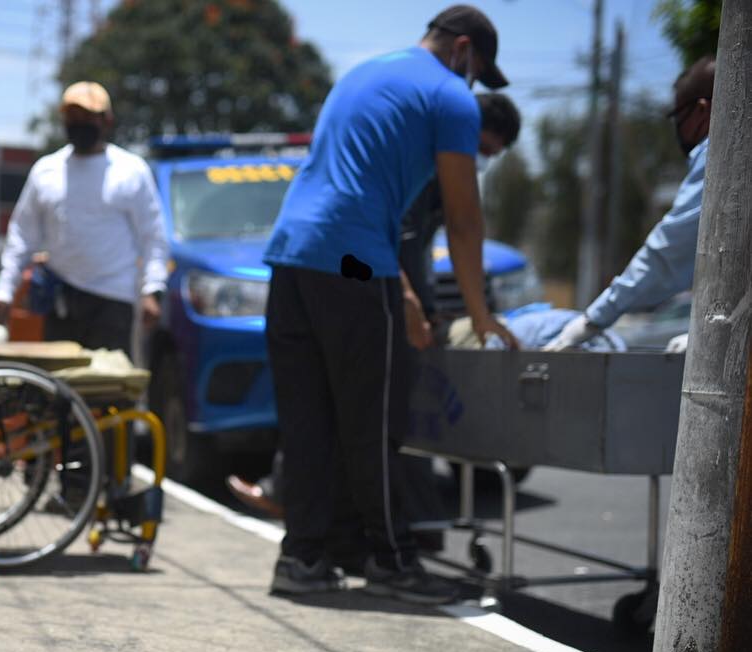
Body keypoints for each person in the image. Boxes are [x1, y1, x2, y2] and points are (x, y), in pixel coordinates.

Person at [260, 5, 518, 604]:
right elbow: (462, 216)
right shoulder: (451, 96)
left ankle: (303, 559)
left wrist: (396, 288)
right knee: (373, 421)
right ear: (461, 50)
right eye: (477, 69)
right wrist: (480, 314)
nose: (474, 83)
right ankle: (392, 560)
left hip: (292, 256)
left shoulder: (362, 73)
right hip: (350, 261)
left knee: (308, 422)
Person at [228, 91, 522, 522]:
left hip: (379, 286)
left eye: (490, 156)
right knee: (346, 410)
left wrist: (423, 304)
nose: (479, 161)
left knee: (375, 417)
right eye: (481, 149)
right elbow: (396, 242)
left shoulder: (434, 168)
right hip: (363, 283)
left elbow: (419, 248)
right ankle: (358, 526)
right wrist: (408, 304)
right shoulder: (417, 164)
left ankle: (395, 527)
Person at [544, 55, 716, 352]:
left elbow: (668, 252)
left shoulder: (720, 153)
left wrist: (593, 320)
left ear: (702, 110)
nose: (677, 128)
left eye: (678, 117)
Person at [0, 81, 170, 354]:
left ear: (106, 121)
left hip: (113, 299)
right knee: (60, 388)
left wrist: (152, 291)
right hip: (61, 298)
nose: (79, 122)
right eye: (73, 116)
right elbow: (22, 235)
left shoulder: (131, 170)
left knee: (108, 389)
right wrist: (5, 289)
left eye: (88, 117)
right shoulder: (46, 171)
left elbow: (153, 236)